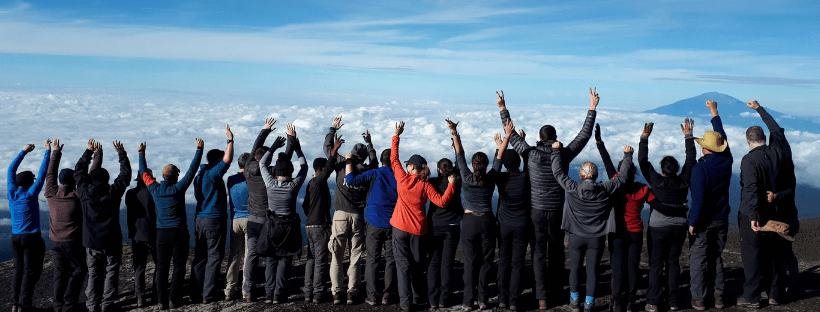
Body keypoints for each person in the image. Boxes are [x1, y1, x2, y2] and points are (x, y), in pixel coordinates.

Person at [497, 89, 599, 309]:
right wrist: (592, 108)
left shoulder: (530, 154)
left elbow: (512, 135)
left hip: (536, 211)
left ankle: (541, 297)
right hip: (556, 211)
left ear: (540, 138)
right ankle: (557, 292)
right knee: (556, 252)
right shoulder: (562, 155)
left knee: (537, 253)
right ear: (554, 138)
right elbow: (583, 136)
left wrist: (502, 108)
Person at [553, 139, 633, 312]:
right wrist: (627, 156)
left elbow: (558, 173)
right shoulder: (605, 190)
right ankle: (589, 303)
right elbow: (622, 177)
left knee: (574, 269)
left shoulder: (572, 188)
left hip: (575, 235)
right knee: (592, 271)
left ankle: (574, 302)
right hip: (596, 237)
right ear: (596, 176)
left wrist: (556, 152)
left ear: (581, 175)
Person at [390, 121, 457, 311]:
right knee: (417, 265)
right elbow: (442, 202)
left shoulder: (402, 179)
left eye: (409, 164)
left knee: (403, 267)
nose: (407, 166)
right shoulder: (426, 185)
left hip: (399, 228)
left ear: (412, 167)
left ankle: (406, 303)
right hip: (418, 230)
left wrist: (397, 134)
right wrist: (451, 185)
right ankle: (419, 297)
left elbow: (393, 159)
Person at [737, 100, 796, 308]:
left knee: (752, 255)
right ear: (764, 139)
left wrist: (752, 216)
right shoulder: (778, 151)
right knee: (775, 254)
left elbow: (751, 188)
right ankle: (774, 294)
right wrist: (759, 109)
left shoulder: (748, 161)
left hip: (755, 214)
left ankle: (752, 296)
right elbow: (777, 130)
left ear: (748, 141)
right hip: (777, 211)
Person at [595, 125, 656, 312]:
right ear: (634, 172)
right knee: (632, 267)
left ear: (621, 172)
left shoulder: (615, 183)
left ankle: (616, 302)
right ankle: (630, 302)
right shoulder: (643, 189)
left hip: (618, 231)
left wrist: (599, 141)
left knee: (617, 268)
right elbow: (657, 203)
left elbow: (606, 161)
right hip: (635, 231)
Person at [639, 117, 696, 312]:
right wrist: (688, 136)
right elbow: (691, 161)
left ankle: (654, 301)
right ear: (677, 170)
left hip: (658, 228)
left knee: (656, 264)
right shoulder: (683, 181)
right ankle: (673, 301)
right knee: (673, 263)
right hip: (679, 226)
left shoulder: (656, 181)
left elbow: (643, 162)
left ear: (662, 169)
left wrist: (644, 138)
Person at [139, 138, 204, 310]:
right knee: (179, 266)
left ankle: (161, 301)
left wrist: (141, 153)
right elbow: (192, 170)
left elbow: (143, 172)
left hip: (161, 233)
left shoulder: (154, 189)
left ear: (162, 176)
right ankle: (174, 299)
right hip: (179, 232)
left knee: (161, 267)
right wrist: (199, 149)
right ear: (175, 176)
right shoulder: (178, 188)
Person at [447, 117, 500, 311]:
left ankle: (468, 302)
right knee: (486, 262)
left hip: (469, 221)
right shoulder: (492, 177)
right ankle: (483, 299)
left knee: (469, 263)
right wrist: (501, 144)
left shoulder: (467, 177)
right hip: (487, 220)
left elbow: (459, 153)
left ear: (472, 164)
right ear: (485, 165)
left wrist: (454, 132)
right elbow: (499, 161)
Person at [324, 115, 378, 305]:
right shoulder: (368, 172)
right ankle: (352, 292)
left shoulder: (342, 165)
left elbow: (328, 150)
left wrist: (333, 129)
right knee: (355, 256)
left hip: (339, 215)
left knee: (336, 257)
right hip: (358, 216)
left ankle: (337, 292)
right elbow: (375, 162)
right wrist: (370, 143)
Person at [75, 139, 132, 312]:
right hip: (112, 239)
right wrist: (121, 153)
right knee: (111, 271)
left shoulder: (84, 192)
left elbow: (78, 173)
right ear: (108, 179)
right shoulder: (113, 192)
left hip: (91, 241)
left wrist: (88, 152)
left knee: (93, 272)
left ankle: (92, 305)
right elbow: (125, 175)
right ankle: (107, 304)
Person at [688, 100, 733, 310]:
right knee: (716, 257)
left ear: (704, 148)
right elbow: (721, 135)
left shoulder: (701, 169)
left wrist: (692, 222)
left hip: (704, 221)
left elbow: (698, 199)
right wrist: (714, 112)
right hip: (721, 217)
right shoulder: (727, 160)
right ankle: (719, 297)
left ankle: (699, 299)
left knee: (698, 259)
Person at [258, 124, 309, 304]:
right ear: (289, 172)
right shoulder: (293, 186)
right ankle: (279, 293)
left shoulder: (270, 184)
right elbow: (304, 167)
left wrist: (272, 148)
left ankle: (268, 293)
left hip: (271, 225)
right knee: (285, 260)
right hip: (289, 226)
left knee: (271, 259)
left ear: (277, 172)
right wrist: (297, 148)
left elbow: (262, 163)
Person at [345, 138, 399, 306]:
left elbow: (351, 180)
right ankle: (387, 295)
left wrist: (348, 161)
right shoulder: (399, 177)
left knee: (372, 259)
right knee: (391, 260)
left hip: (374, 221)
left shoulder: (375, 173)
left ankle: (372, 296)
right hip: (393, 223)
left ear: (381, 161)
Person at [243, 118, 285, 302]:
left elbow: (254, 149)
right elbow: (286, 164)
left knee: (251, 256)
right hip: (268, 221)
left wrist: (264, 131)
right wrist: (283, 145)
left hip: (252, 220)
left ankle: (248, 291)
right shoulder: (271, 173)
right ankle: (270, 291)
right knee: (269, 256)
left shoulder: (246, 170)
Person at [191, 125, 234, 303]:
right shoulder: (213, 174)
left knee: (200, 257)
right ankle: (208, 295)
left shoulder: (199, 175)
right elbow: (227, 160)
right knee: (214, 257)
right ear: (216, 160)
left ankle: (194, 293)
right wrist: (230, 140)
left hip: (199, 219)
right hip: (214, 219)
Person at [45, 139, 88, 312]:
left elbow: (50, 174)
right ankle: (69, 303)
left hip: (55, 242)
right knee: (79, 269)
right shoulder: (77, 197)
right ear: (74, 182)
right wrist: (91, 154)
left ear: (60, 182)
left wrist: (55, 152)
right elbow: (83, 178)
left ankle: (57, 305)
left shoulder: (50, 194)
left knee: (60, 272)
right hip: (72, 242)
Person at [8, 141, 50, 312]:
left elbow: (11, 170)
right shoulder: (31, 194)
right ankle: (25, 305)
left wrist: (23, 152)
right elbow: (43, 174)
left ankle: (15, 304)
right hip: (31, 237)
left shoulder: (12, 193)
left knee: (19, 271)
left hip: (15, 237)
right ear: (29, 183)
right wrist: (48, 152)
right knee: (30, 272)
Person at [494, 121, 530, 311]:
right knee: (517, 263)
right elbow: (528, 164)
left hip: (504, 226)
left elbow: (496, 165)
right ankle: (514, 300)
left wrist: (501, 147)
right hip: (522, 225)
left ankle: (502, 298)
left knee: (504, 262)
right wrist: (521, 142)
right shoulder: (525, 178)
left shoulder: (500, 179)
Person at [303, 138, 342, 303]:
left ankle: (307, 291)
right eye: (325, 168)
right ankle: (318, 292)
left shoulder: (311, 183)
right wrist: (334, 151)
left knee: (311, 259)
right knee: (320, 259)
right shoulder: (319, 181)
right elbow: (330, 168)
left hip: (309, 225)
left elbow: (305, 205)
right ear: (321, 169)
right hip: (319, 226)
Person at [426, 157, 463, 308]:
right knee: (447, 263)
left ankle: (433, 299)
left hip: (434, 226)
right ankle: (444, 299)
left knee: (433, 263)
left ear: (438, 169)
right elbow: (460, 159)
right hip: (452, 225)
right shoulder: (457, 181)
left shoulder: (432, 182)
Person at [125, 166, 158, 308]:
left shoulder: (130, 193)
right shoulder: (153, 193)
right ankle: (157, 294)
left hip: (137, 235)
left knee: (139, 268)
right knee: (159, 265)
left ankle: (140, 298)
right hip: (153, 234)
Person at [224, 153, 251, 301]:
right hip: (249, 219)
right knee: (248, 255)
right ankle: (246, 289)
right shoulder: (251, 180)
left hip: (235, 219)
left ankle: (229, 289)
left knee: (234, 255)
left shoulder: (230, 180)